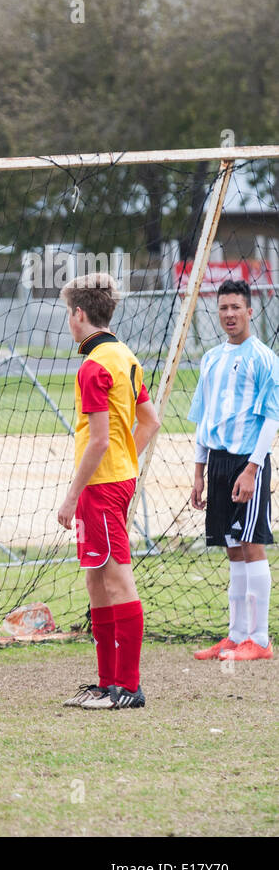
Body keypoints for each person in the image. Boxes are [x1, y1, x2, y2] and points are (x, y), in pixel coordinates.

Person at [56, 273, 160, 710]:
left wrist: (70, 496)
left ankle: (128, 688)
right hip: (115, 480)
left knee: (116, 576)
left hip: (99, 486)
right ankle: (106, 683)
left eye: (67, 313)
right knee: (96, 577)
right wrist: (128, 469)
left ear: (79, 314)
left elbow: (98, 440)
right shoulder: (125, 355)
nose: (67, 321)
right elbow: (149, 421)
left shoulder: (94, 365)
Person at [188, 279, 277, 662]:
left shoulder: (263, 358)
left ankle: (259, 640)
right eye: (223, 308)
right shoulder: (211, 359)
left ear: (249, 310)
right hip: (219, 463)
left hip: (247, 463)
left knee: (252, 545)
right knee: (232, 549)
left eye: (236, 307)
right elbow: (203, 418)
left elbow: (272, 420)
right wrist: (198, 471)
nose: (229, 314)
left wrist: (253, 469)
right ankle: (236, 635)